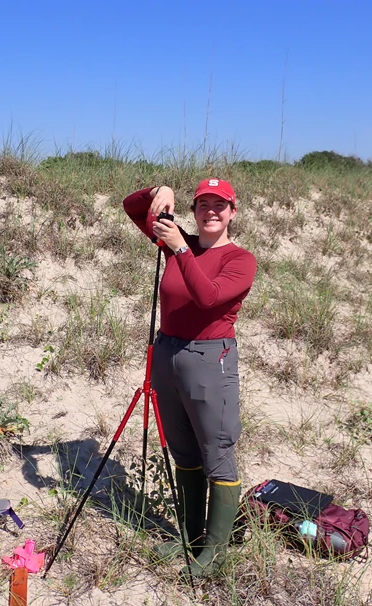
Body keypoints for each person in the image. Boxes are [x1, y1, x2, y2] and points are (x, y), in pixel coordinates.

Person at [122, 178, 258, 578]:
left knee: (216, 451)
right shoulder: (179, 241)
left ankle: (215, 550)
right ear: (195, 210)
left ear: (233, 211)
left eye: (220, 205)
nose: (211, 211)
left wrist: (180, 247)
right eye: (203, 204)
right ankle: (189, 534)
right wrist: (157, 192)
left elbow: (210, 297)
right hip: (167, 354)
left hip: (209, 358)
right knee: (183, 449)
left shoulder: (240, 259)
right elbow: (132, 207)